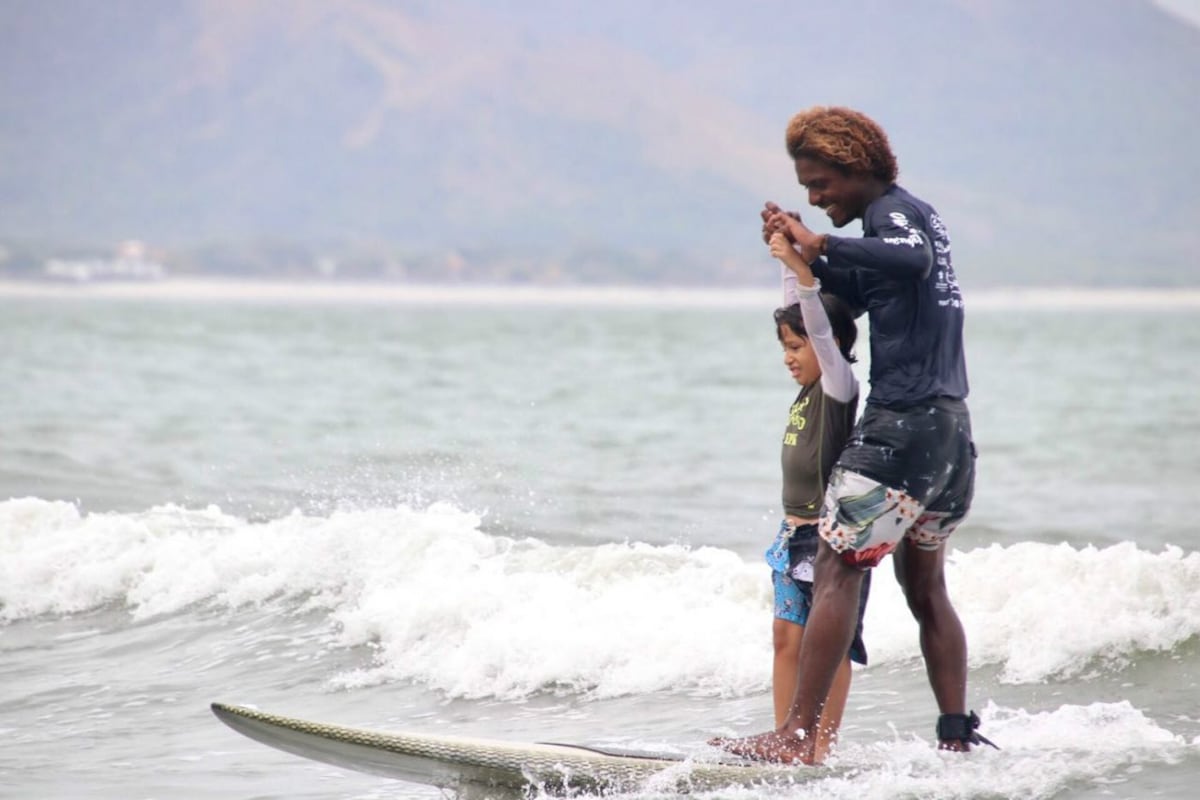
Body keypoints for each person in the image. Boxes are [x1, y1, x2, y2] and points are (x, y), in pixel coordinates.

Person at [715, 106, 994, 764]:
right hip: (950, 437)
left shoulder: (894, 217)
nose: (816, 198)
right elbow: (854, 298)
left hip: (901, 429)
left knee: (837, 563)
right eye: (807, 189)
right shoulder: (910, 218)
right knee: (925, 587)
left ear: (854, 166)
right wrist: (795, 259)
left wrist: (820, 245)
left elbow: (907, 258)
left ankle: (795, 735)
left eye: (821, 184)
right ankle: (956, 733)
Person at [762, 232, 871, 764]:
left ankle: (819, 746)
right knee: (786, 638)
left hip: (825, 538)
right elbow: (802, 315)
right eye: (784, 347)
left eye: (796, 347)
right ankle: (785, 740)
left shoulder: (837, 389)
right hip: (791, 535)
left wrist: (801, 272)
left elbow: (820, 329)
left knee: (828, 647)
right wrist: (788, 258)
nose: (789, 357)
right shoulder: (806, 392)